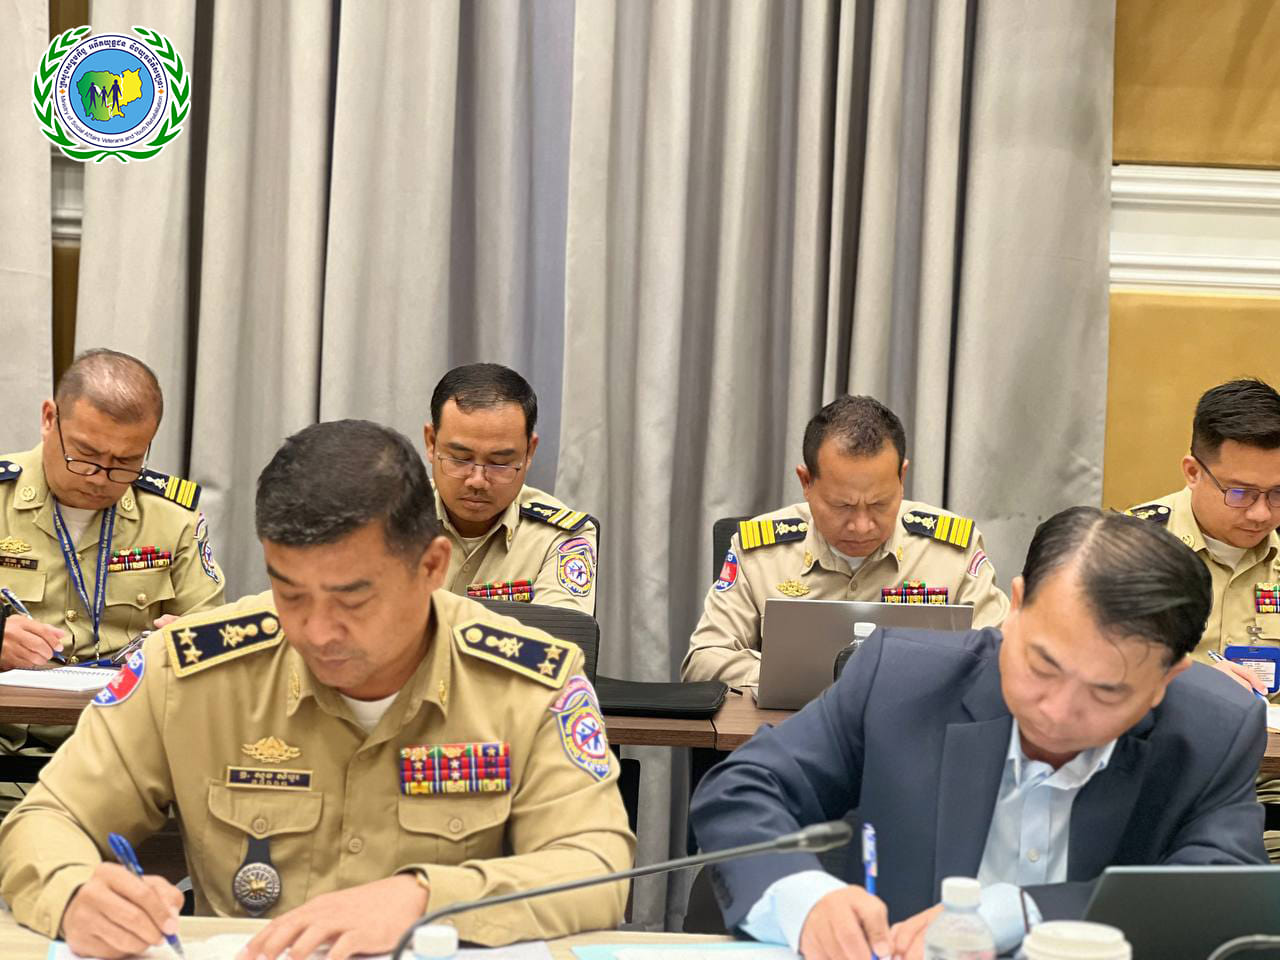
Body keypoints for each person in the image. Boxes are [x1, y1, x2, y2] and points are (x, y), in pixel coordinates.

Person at [0, 419, 633, 960]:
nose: (318, 631)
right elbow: (48, 818)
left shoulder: (530, 681)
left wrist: (425, 898)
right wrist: (74, 890)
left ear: (432, 567)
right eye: (291, 593)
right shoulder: (187, 671)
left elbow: (597, 866)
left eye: (353, 599)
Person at [690, 506, 1266, 960]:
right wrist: (807, 900)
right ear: (1014, 608)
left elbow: (1217, 894)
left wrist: (1026, 912)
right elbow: (744, 788)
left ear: (1167, 678)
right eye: (1042, 665)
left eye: (1106, 691)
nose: (1058, 710)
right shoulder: (900, 680)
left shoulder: (1213, 731)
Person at [681, 395, 1009, 687]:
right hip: (791, 731)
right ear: (806, 482)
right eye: (842, 506)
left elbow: (1002, 656)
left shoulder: (953, 551)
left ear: (902, 478)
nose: (861, 526)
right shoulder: (760, 552)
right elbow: (704, 659)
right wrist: (791, 679)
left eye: (879, 504)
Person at [0, 349, 224, 774]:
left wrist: (189, 643)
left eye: (125, 462)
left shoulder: (173, 517)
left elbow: (217, 639)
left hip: (127, 758)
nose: (101, 478)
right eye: (85, 455)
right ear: (49, 419)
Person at [1126, 377, 1280, 855]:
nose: (1261, 513)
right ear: (1193, 471)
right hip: (1157, 800)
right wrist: (1193, 685)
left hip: (1269, 801)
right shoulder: (1126, 549)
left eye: (1278, 493)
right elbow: (1085, 677)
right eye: (1241, 493)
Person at [425, 363, 598, 613]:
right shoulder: (385, 521)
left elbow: (557, 635)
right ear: (431, 443)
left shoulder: (560, 537)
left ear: (529, 452)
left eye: (499, 463)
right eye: (460, 459)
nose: (477, 480)